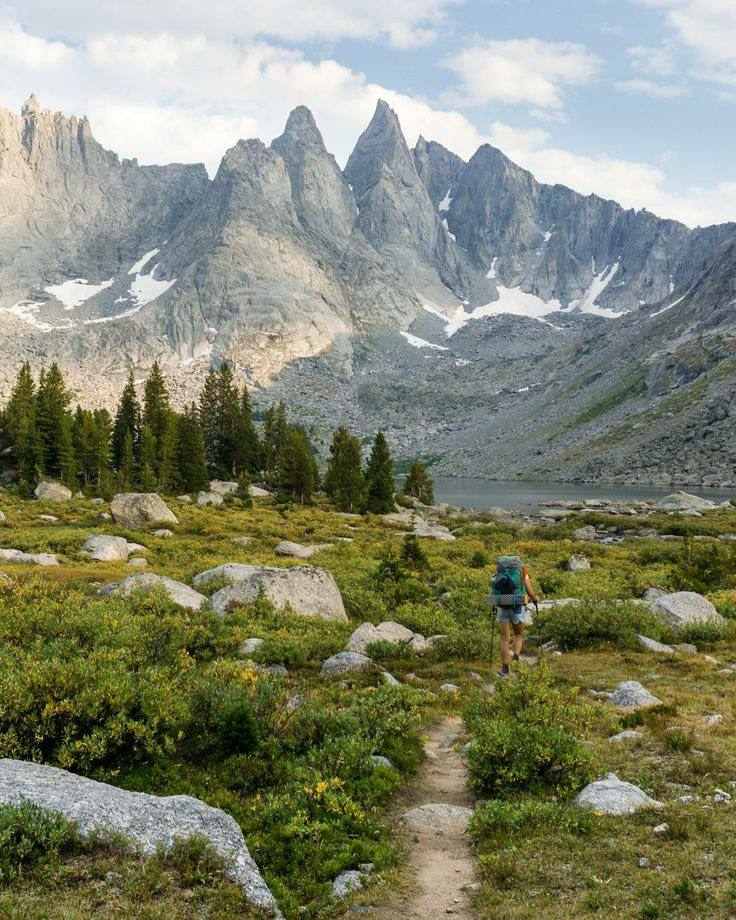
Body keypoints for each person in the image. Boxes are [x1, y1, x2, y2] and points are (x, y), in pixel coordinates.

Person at [489, 555, 539, 678]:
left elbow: (494, 588)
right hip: (517, 605)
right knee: (518, 634)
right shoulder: (522, 571)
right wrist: (534, 599)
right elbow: (529, 590)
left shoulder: (500, 571)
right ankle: (516, 660)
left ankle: (505, 669)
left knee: (504, 638)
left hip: (502, 605)